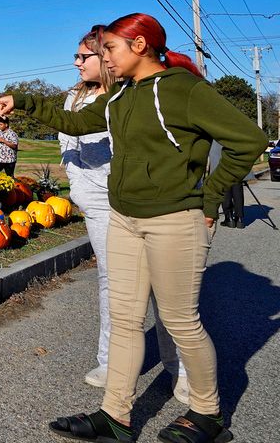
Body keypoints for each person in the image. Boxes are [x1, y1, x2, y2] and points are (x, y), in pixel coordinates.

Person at [0, 13, 266, 443]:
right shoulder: (120, 97)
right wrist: (21, 102)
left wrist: (210, 198)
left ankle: (208, 415)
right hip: (125, 219)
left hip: (175, 220)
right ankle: (116, 417)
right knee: (126, 318)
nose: (105, 59)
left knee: (179, 321)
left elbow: (248, 139)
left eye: (110, 50)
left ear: (139, 47)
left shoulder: (183, 90)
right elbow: (78, 123)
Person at [60, 26, 187, 401]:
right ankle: (111, 360)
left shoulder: (131, 95)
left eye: (84, 56)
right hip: (99, 205)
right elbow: (68, 147)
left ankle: (178, 367)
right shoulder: (74, 99)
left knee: (164, 289)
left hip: (143, 200)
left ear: (107, 58)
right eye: (77, 56)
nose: (76, 63)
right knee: (112, 283)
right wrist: (81, 191)